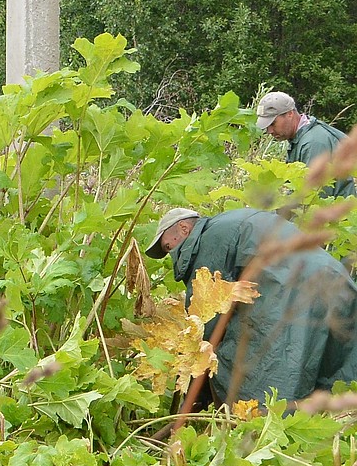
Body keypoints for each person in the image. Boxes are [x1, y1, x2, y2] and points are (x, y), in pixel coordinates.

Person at [145, 206, 357, 406]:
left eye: (167, 246)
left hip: (292, 289)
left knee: (263, 385)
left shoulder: (209, 240)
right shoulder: (232, 221)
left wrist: (193, 398)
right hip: (337, 281)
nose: (171, 253)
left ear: (184, 228)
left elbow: (206, 321)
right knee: (334, 378)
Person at [256, 90, 355, 198]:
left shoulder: (313, 142)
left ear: (290, 114)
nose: (269, 130)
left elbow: (315, 196)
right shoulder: (299, 137)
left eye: (273, 123)